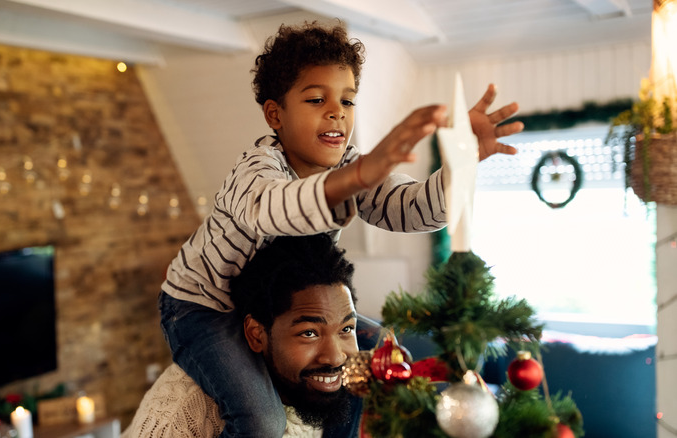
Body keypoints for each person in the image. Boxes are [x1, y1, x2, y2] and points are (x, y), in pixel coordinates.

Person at [159, 21, 524, 437]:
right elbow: (276, 211)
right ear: (275, 114)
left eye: (348, 101)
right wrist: (355, 178)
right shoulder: (255, 172)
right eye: (317, 99)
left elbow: (414, 210)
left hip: (271, 306)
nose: (337, 112)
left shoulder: (349, 165)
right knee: (261, 421)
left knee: (368, 358)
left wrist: (461, 163)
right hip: (204, 308)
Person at [129, 234, 374, 437]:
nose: (334, 357)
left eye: (346, 329)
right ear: (256, 335)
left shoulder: (316, 392)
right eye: (309, 333)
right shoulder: (180, 415)